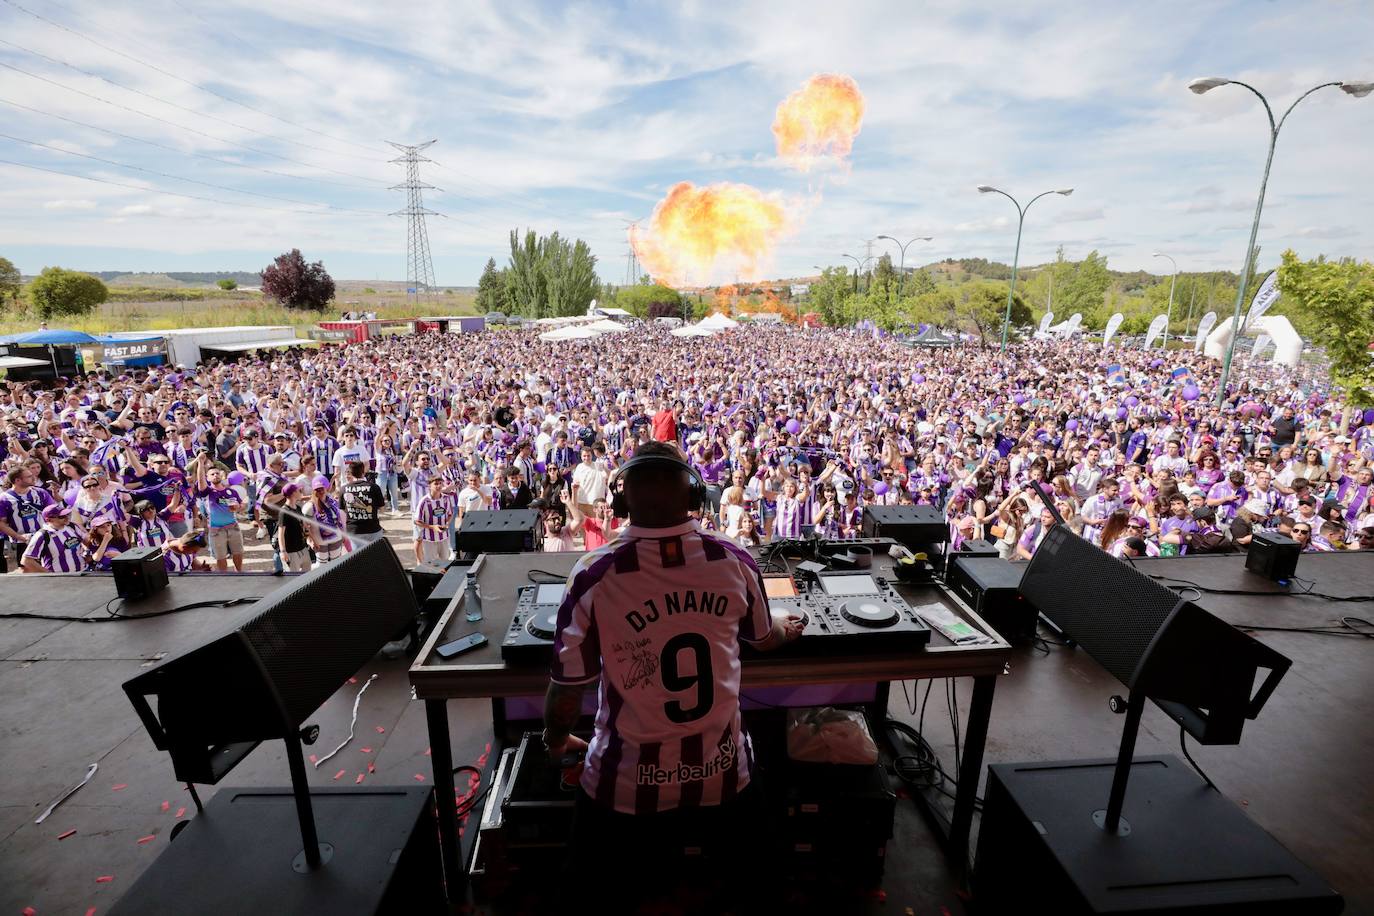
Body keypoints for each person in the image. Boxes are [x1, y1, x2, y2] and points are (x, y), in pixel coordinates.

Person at [543, 442, 802, 910]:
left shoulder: (594, 574)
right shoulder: (733, 559)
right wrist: (785, 626)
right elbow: (765, 638)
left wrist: (557, 742)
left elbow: (566, 691)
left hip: (623, 781)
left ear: (622, 502)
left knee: (581, 894)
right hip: (723, 774)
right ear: (695, 500)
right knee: (762, 888)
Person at [193, 454, 245, 572]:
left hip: (233, 527)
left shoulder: (231, 492)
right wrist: (201, 463)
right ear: (208, 478)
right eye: (212, 474)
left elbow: (242, 505)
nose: (215, 475)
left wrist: (239, 506)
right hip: (216, 530)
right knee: (220, 557)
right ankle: (224, 577)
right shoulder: (207, 492)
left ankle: (240, 572)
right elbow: (200, 481)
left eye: (217, 473)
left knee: (238, 552)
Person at [21, 503, 86, 572]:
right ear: (49, 520)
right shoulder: (42, 535)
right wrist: (48, 574)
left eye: (67, 514)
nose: (66, 518)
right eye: (61, 516)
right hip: (59, 579)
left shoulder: (72, 526)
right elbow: (26, 560)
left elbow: (86, 540)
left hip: (81, 574)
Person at [303, 473, 350, 564]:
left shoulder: (332, 501)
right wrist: (310, 540)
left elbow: (339, 520)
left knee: (335, 564)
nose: (320, 491)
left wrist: (343, 533)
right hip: (319, 541)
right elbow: (305, 526)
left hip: (336, 537)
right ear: (313, 490)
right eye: (317, 489)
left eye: (322, 488)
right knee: (321, 565)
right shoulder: (309, 507)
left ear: (326, 487)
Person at [341, 461, 385, 544]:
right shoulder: (374, 487)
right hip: (373, 529)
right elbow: (382, 509)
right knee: (376, 555)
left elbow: (343, 511)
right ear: (363, 471)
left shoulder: (344, 489)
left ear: (351, 472)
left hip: (354, 530)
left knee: (359, 556)